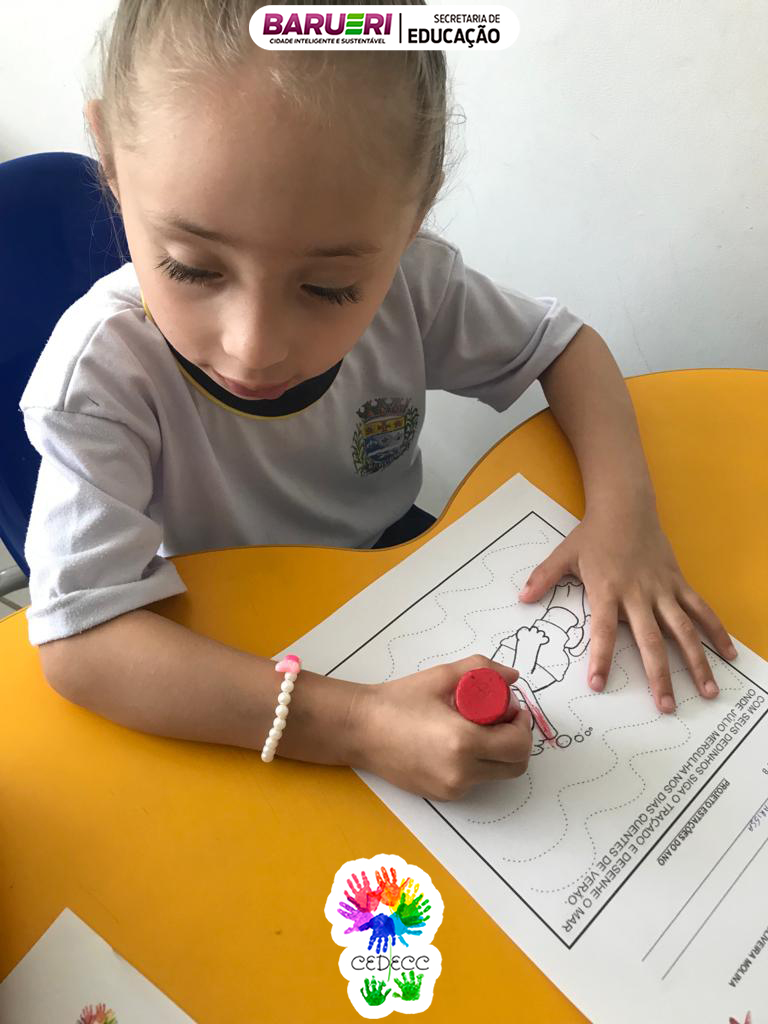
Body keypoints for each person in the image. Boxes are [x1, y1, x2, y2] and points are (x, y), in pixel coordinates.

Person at [21, 0, 736, 803]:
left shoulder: (417, 286)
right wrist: (358, 725)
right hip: (220, 653)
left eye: (329, 287)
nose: (255, 347)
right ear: (110, 160)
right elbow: (81, 642)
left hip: (389, 572)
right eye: (192, 267)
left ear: (416, 212)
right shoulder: (102, 375)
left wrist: (624, 516)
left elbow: (565, 348)